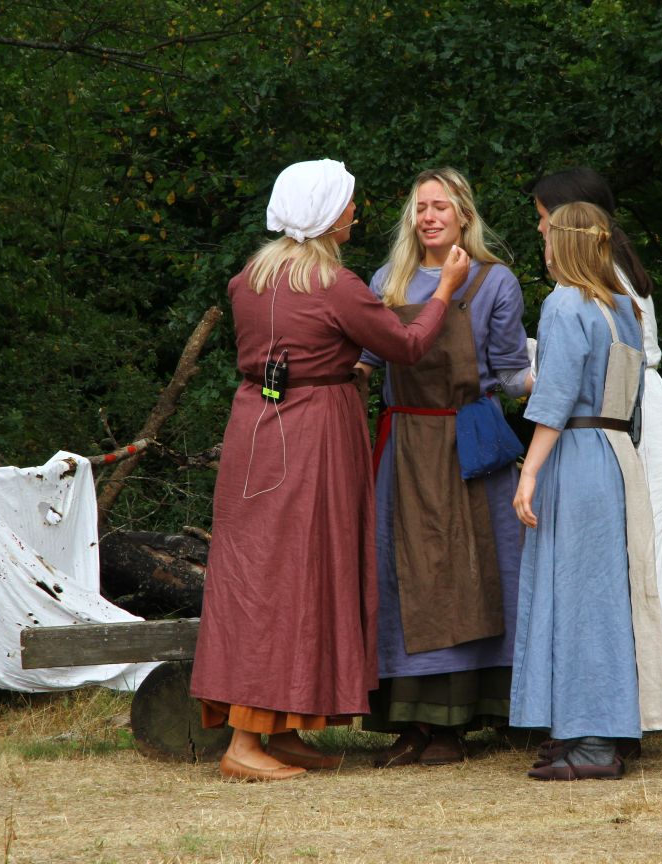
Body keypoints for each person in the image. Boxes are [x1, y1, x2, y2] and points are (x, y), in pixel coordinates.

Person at [190, 159, 470, 782]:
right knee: (288, 576)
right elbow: (407, 346)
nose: (355, 213)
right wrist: (444, 290)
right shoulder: (334, 285)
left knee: (274, 570)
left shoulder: (249, 279)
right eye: (347, 204)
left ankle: (282, 728)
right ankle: (244, 742)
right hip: (311, 434)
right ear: (324, 215)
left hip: (256, 428)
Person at [357, 167, 532, 767]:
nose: (429, 217)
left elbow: (511, 371)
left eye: (441, 207)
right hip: (405, 447)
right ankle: (411, 723)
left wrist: (568, 398)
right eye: (420, 207)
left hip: (471, 447)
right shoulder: (386, 279)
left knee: (473, 578)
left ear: (464, 215)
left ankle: (459, 721)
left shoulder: (494, 280)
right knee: (404, 578)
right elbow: (364, 359)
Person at [510, 201, 662, 780]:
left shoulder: (565, 304)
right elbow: (631, 401)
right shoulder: (623, 307)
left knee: (580, 598)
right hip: (616, 456)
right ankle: (584, 730)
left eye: (547, 235)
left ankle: (592, 740)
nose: (543, 244)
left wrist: (529, 471)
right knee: (605, 594)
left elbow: (555, 396)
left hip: (579, 457)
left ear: (564, 242)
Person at [531, 168, 662, 721]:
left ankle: (660, 694)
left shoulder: (598, 284)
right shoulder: (612, 273)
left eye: (544, 218)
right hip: (633, 406)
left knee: (647, 556)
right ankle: (647, 695)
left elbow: (592, 365)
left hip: (631, 412)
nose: (540, 229)